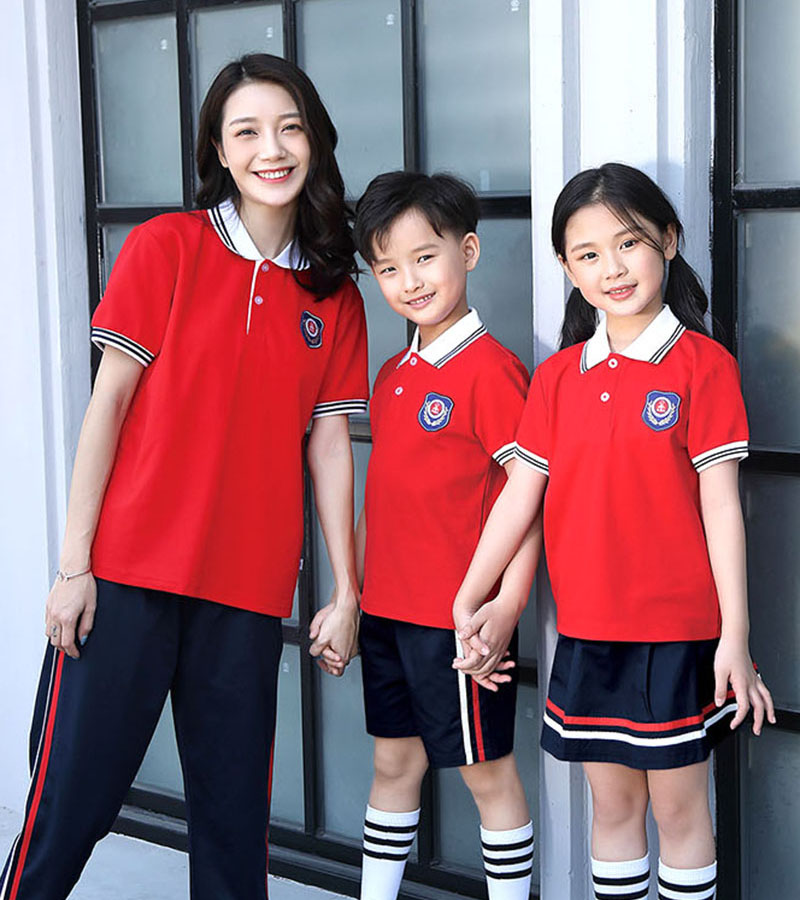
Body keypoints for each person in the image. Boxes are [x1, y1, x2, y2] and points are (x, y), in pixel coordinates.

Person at [1, 54, 367, 900]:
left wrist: (346, 591)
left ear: (314, 141)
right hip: (124, 577)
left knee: (234, 834)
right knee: (67, 809)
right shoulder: (167, 246)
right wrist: (74, 566)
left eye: (289, 128)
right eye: (247, 131)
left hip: (245, 595)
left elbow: (329, 446)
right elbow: (108, 406)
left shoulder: (334, 294)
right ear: (219, 150)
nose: (272, 149)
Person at [453, 163, 776, 900]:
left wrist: (734, 637)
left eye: (629, 243)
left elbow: (722, 507)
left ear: (668, 239)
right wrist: (471, 595)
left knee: (680, 812)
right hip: (588, 633)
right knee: (614, 809)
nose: (612, 268)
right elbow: (519, 497)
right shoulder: (557, 378)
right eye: (588, 253)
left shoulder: (703, 366)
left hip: (678, 636)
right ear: (567, 268)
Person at [351, 171, 539, 900]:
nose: (409, 281)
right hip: (385, 614)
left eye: (424, 257)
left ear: (467, 251)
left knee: (486, 774)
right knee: (392, 765)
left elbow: (530, 499)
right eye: (387, 268)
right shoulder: (391, 374)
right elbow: (381, 497)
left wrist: (506, 605)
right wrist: (352, 596)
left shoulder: (494, 372)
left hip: (455, 624)